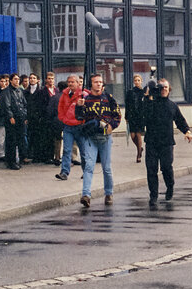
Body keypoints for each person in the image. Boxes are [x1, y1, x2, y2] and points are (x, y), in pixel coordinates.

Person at [142, 78, 192, 206]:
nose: (164, 89)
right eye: (161, 87)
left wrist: (187, 131)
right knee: (151, 169)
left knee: (166, 168)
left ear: (169, 90)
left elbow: (180, 120)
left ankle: (170, 187)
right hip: (152, 142)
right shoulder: (150, 103)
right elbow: (142, 117)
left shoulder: (172, 105)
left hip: (167, 143)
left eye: (166, 87)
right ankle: (153, 195)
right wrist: (147, 98)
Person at [75, 74, 121, 207]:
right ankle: (86, 195)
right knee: (89, 166)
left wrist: (112, 126)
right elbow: (79, 117)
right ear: (91, 84)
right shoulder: (86, 100)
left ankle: (108, 193)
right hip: (90, 138)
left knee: (106, 168)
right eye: (96, 82)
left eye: (100, 82)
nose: (99, 84)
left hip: (106, 137)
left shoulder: (109, 98)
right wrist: (79, 107)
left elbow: (117, 114)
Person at [56, 74, 86, 180]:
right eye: (69, 82)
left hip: (80, 127)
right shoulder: (64, 94)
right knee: (66, 150)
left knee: (83, 151)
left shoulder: (84, 95)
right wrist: (63, 119)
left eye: (72, 82)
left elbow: (89, 110)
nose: (70, 84)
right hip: (68, 126)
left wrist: (83, 106)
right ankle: (64, 172)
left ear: (78, 83)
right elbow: (61, 107)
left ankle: (86, 171)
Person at [3, 73, 29, 169]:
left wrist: (25, 117)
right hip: (12, 119)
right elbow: (6, 105)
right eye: (15, 79)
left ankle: (20, 159)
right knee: (11, 140)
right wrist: (10, 116)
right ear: (10, 80)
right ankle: (11, 161)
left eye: (18, 79)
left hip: (21, 118)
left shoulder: (20, 91)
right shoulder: (6, 92)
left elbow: (24, 104)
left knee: (20, 139)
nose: (17, 81)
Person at [35, 72, 58, 164]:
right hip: (46, 117)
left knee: (55, 138)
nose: (50, 80)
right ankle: (47, 156)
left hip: (55, 118)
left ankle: (54, 156)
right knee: (46, 137)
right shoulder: (41, 91)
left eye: (52, 78)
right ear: (45, 80)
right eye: (49, 78)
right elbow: (39, 105)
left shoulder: (57, 91)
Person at [125, 74, 146, 162]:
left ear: (141, 81)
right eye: (135, 80)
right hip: (132, 115)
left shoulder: (144, 92)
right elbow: (127, 104)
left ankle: (138, 155)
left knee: (138, 134)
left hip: (140, 116)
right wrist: (126, 116)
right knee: (132, 135)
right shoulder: (130, 92)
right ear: (133, 82)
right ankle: (140, 148)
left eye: (138, 80)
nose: (137, 82)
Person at [24, 72, 43, 162]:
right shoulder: (26, 91)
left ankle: (37, 155)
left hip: (38, 117)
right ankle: (29, 154)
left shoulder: (41, 91)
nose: (32, 79)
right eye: (30, 78)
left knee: (38, 136)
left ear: (38, 80)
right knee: (29, 136)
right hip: (28, 116)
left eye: (34, 78)